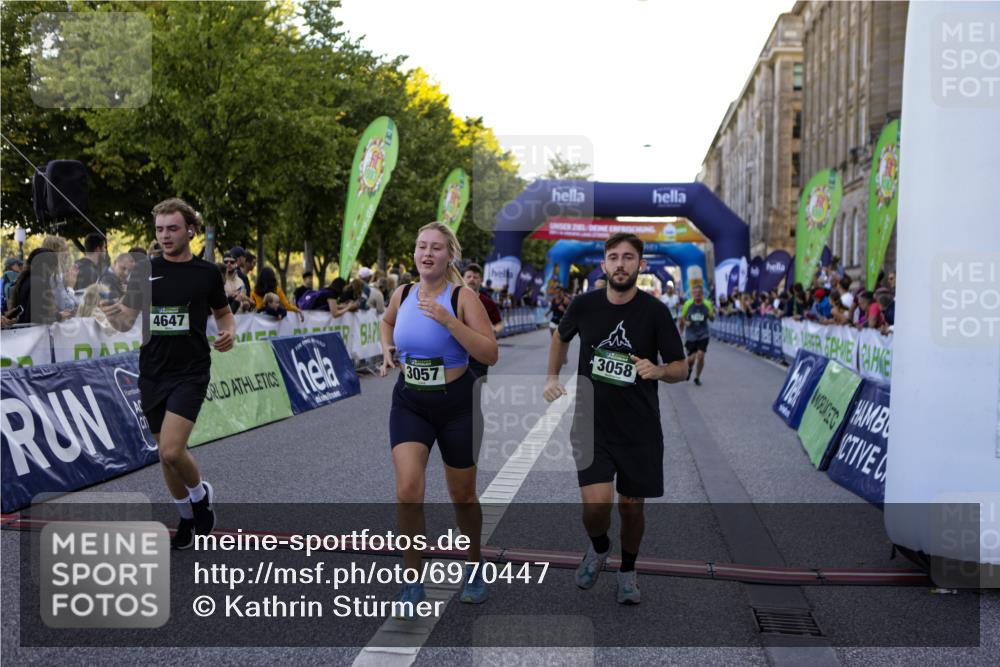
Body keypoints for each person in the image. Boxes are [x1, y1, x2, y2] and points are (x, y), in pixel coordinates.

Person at [543, 232, 687, 606]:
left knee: (632, 506)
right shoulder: (584, 305)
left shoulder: (655, 311)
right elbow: (560, 337)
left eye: (628, 258)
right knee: (596, 507)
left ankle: (628, 571)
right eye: (613, 257)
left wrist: (658, 371)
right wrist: (551, 377)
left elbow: (681, 368)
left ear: (640, 265)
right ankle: (599, 546)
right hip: (592, 422)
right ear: (603, 264)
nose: (620, 264)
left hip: (639, 426)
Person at [102, 198, 235, 550]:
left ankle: (200, 496)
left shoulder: (207, 273)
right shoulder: (144, 270)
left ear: (190, 230)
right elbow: (126, 320)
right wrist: (110, 312)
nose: (165, 235)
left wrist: (229, 331)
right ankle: (186, 517)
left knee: (174, 451)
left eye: (172, 228)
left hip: (191, 371)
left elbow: (223, 313)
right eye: (159, 229)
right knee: (164, 454)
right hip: (152, 371)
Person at [378, 221, 498, 614]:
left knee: (462, 496)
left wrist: (449, 321)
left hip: (456, 405)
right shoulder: (403, 292)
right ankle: (412, 580)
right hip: (410, 401)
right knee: (407, 491)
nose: (427, 253)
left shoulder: (462, 297)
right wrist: (386, 350)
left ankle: (474, 565)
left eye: (436, 248)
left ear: (449, 255)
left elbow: (489, 353)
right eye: (421, 246)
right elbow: (386, 322)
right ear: (414, 253)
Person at [462, 263, 503, 378]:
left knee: (475, 390)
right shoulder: (452, 299)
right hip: (457, 355)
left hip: (478, 357)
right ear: (463, 279)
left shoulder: (488, 302)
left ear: (481, 280)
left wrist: (493, 330)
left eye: (475, 277)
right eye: (469, 277)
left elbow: (499, 323)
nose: (472, 280)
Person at [8, 248, 62, 325]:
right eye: (54, 267)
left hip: (23, 333)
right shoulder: (38, 282)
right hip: (30, 334)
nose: (54, 271)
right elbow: (36, 317)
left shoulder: (26, 279)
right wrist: (59, 316)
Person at [679, 283, 715, 386]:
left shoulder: (707, 304)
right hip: (691, 335)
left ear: (702, 294)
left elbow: (712, 318)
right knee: (691, 359)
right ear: (692, 294)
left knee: (701, 355)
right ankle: (689, 368)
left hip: (703, 334)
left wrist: (711, 315)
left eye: (699, 292)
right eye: (695, 292)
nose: (697, 294)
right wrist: (685, 324)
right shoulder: (688, 304)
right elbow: (682, 318)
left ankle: (697, 377)